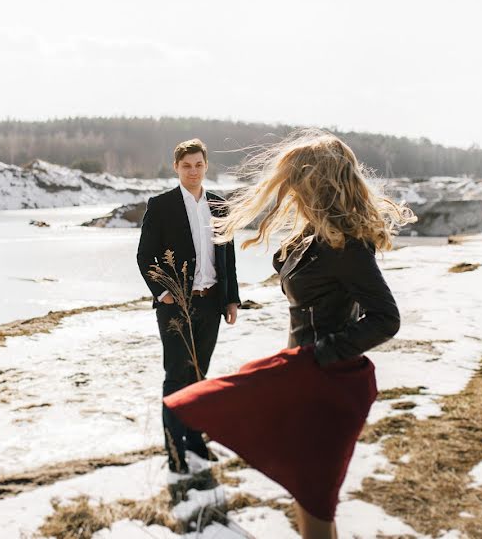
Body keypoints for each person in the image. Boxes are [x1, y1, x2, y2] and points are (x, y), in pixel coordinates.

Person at [163, 129, 415, 538]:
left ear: (316, 182)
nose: (291, 190)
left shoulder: (345, 245)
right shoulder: (313, 238)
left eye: (297, 181)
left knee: (315, 508)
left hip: (327, 384)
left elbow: (385, 318)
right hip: (301, 379)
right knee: (308, 502)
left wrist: (321, 355)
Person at [136, 138, 241, 475]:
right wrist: (162, 293)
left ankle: (196, 441)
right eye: (186, 166)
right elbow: (144, 256)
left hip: (211, 304)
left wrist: (231, 298)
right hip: (176, 305)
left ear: (206, 165)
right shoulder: (162, 204)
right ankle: (175, 451)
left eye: (198, 164)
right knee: (175, 376)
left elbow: (228, 256)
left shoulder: (220, 205)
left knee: (200, 376)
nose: (193, 171)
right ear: (176, 168)